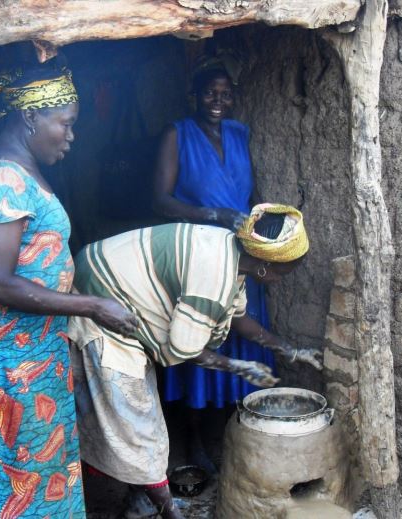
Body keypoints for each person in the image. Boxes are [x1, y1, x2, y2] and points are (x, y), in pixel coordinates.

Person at [0, 60, 138, 518]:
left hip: (28, 353)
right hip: (1, 361)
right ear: (30, 117)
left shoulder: (19, 168)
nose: (71, 137)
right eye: (65, 124)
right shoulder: (3, 177)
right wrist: (92, 306)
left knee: (38, 471)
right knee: (7, 476)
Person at [68, 205, 321, 519]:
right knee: (141, 431)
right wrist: (240, 367)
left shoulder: (233, 254)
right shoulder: (212, 278)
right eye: (286, 271)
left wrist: (289, 349)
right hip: (101, 305)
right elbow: (188, 349)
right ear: (265, 267)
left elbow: (239, 320)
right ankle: (167, 511)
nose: (285, 279)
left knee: (130, 421)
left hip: (111, 287)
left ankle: (139, 494)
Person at [152, 55, 275, 472]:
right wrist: (214, 215)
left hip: (240, 255)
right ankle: (194, 441)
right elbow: (161, 201)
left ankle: (231, 434)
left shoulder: (241, 133)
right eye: (209, 92)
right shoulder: (177, 134)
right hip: (198, 253)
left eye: (225, 93)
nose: (218, 100)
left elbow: (252, 194)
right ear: (194, 96)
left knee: (241, 336)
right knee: (200, 341)